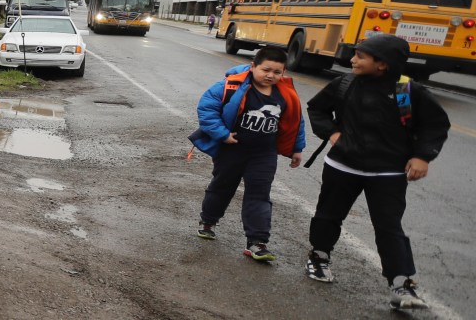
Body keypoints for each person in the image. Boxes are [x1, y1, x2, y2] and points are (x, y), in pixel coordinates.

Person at [305, 34, 450, 310]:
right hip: (342, 166)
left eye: (360, 56)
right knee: (328, 215)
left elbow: (435, 125)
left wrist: (422, 156)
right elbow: (317, 109)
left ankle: (400, 283)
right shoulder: (344, 84)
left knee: (389, 227)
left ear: (382, 64)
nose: (352, 60)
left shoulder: (409, 91)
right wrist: (333, 133)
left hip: (388, 172)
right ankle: (319, 256)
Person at [191, 46, 305, 261]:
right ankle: (208, 220)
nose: (270, 76)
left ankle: (257, 242)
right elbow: (207, 109)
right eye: (265, 70)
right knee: (222, 187)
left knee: (260, 194)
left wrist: (296, 149)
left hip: (264, 154)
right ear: (253, 67)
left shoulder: (285, 93)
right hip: (232, 150)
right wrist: (223, 134)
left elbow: (296, 121)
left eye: (277, 72)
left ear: (284, 72)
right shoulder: (232, 85)